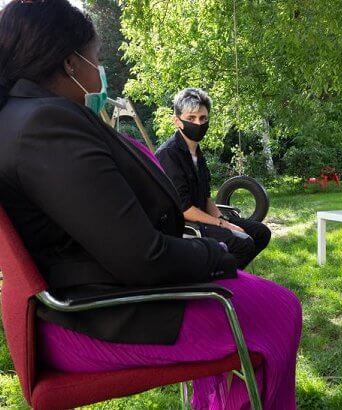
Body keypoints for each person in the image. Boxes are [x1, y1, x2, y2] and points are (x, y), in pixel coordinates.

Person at [0, 1, 301, 409]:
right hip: (94, 316)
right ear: (70, 63)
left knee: (266, 296)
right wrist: (214, 251)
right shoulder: (44, 125)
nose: (100, 70)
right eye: (96, 58)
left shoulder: (24, 116)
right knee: (282, 310)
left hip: (98, 295)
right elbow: (141, 256)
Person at [155, 88, 271, 269]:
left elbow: (206, 198)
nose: (198, 123)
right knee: (243, 243)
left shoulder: (197, 154)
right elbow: (184, 209)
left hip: (203, 219)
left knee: (260, 232)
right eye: (191, 118)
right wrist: (223, 225)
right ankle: (217, 280)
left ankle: (228, 273)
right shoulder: (169, 154)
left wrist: (224, 220)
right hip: (184, 225)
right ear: (177, 121)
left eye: (203, 118)